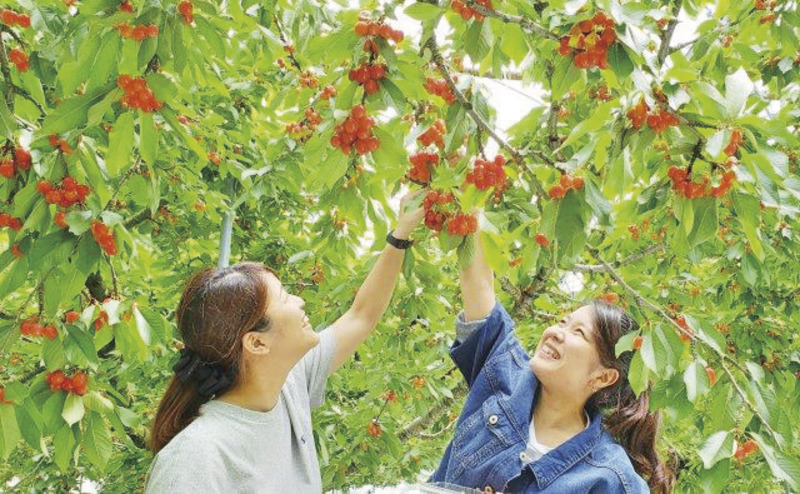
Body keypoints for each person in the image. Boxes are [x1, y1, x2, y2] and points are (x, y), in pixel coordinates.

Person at [145, 193, 424, 493]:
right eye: (284, 297)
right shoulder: (194, 459)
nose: (300, 301)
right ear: (257, 343)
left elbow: (362, 316)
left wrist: (401, 233)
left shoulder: (289, 385)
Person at [430, 222, 675, 493]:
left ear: (604, 376)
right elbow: (478, 282)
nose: (556, 332)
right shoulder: (503, 373)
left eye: (578, 332)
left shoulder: (612, 479)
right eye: (562, 321)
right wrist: (469, 200)